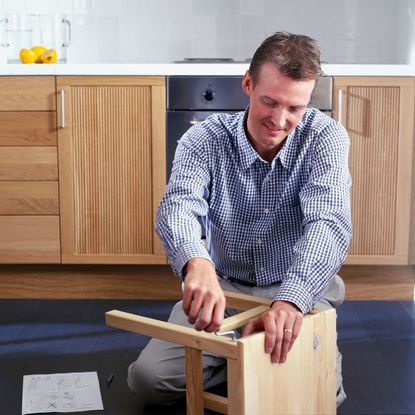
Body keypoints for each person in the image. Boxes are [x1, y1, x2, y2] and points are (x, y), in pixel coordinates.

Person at [128, 31, 351, 408]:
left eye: (294, 108)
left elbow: (328, 223)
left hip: (297, 290)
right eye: (269, 102)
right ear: (247, 84)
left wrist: (291, 302)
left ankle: (243, 358)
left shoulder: (326, 137)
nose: (279, 120)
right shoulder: (203, 139)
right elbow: (178, 205)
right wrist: (196, 263)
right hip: (225, 292)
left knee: (321, 393)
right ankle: (249, 359)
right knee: (149, 381)